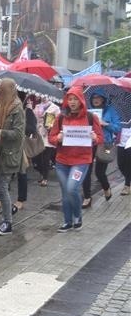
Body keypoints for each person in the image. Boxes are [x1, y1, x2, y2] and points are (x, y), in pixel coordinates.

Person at [47, 87, 103, 232]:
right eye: (70, 99)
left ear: (81, 100)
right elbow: (51, 138)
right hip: (62, 162)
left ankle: (77, 216)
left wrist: (94, 138)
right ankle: (67, 221)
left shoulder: (91, 117)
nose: (72, 102)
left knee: (72, 188)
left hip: (81, 161)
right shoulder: (60, 117)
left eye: (75, 99)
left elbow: (100, 138)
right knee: (65, 191)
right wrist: (57, 138)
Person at [0, 79, 25, 235]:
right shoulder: (0, 106)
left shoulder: (17, 108)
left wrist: (0, 132)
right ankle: (11, 207)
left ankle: (7, 222)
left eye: (1, 90)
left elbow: (18, 134)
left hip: (10, 154)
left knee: (2, 187)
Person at [88, 90, 121, 201]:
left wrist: (105, 123)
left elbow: (117, 128)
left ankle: (106, 188)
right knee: (86, 170)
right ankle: (87, 197)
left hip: (105, 144)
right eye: (94, 97)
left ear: (103, 99)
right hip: (90, 143)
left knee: (99, 172)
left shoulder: (110, 111)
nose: (96, 99)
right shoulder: (89, 111)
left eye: (98, 97)